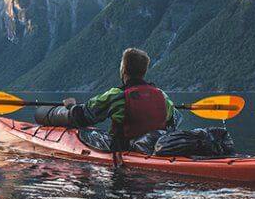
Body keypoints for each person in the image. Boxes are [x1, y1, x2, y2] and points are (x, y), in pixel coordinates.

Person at [35, 48, 177, 152]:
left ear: (123, 70)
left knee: (84, 131)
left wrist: (71, 106)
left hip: (124, 150)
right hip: (154, 148)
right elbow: (175, 120)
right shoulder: (162, 96)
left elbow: (84, 116)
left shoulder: (117, 95)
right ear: (144, 71)